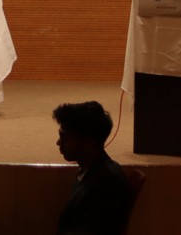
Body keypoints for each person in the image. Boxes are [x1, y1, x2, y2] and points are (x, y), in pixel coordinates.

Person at [53, 101, 132, 235]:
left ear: (89, 141)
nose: (58, 143)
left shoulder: (107, 183)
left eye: (64, 137)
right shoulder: (90, 171)